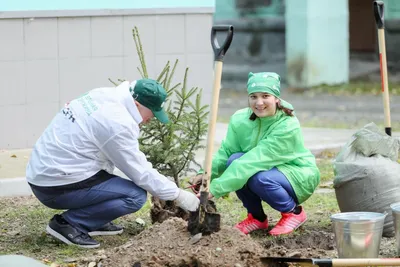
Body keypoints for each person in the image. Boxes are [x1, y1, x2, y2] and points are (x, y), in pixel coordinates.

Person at [26, 78, 200, 248]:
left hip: (45, 171)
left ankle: (95, 219)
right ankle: (69, 224)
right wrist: (179, 195)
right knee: (134, 196)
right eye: (152, 113)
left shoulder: (103, 95)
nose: (152, 118)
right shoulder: (118, 123)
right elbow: (141, 172)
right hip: (55, 185)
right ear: (137, 105)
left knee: (114, 184)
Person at [190, 72, 320, 236]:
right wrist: (206, 174)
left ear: (276, 98)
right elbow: (226, 153)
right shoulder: (240, 119)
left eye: (265, 96)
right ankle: (256, 218)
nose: (259, 103)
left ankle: (293, 212)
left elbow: (252, 162)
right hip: (261, 167)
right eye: (253, 96)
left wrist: (215, 189)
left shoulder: (287, 126)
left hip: (297, 174)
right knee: (233, 160)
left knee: (258, 177)